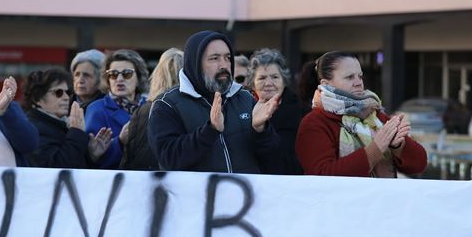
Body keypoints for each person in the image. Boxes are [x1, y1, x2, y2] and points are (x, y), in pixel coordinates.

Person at [148, 30, 281, 173]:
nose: (223, 65)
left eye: (227, 57)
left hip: (244, 194)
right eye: (214, 58)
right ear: (195, 63)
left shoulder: (245, 98)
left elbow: (273, 159)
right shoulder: (167, 105)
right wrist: (210, 131)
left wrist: (261, 130)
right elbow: (169, 160)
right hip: (198, 195)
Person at [295, 51, 427, 177]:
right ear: (326, 84)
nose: (358, 83)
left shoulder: (373, 113)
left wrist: (397, 145)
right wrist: (375, 149)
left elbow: (419, 165)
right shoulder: (314, 122)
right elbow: (322, 175)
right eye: (349, 77)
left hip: (380, 199)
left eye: (360, 76)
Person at [22, 69, 112, 168]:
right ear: (38, 99)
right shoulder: (33, 128)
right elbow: (57, 168)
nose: (66, 97)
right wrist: (76, 132)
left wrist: (92, 156)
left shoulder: (59, 123)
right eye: (58, 92)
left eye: (68, 92)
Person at [84, 49, 149, 169]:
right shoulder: (96, 109)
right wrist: (119, 142)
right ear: (108, 79)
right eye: (113, 74)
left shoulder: (150, 106)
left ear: (138, 78)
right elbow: (89, 159)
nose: (119, 79)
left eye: (126, 74)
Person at [120, 48, 183, 170]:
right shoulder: (190, 109)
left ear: (158, 76)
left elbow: (129, 157)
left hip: (143, 181)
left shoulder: (142, 110)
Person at [247, 48, 302, 174]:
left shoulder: (301, 111)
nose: (268, 83)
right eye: (262, 78)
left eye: (275, 77)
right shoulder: (242, 111)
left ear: (284, 81)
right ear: (252, 83)